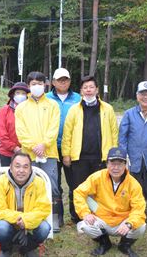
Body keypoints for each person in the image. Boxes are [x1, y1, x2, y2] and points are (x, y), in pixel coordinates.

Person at [61, 75, 118, 220]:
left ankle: (98, 214)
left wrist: (113, 155)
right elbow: (67, 133)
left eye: (91, 87)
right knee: (78, 187)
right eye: (85, 87)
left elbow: (114, 133)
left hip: (101, 157)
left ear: (97, 89)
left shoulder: (108, 109)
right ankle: (77, 215)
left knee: (100, 189)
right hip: (79, 157)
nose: (88, 90)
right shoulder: (74, 110)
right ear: (81, 91)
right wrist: (66, 154)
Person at [74, 147, 146, 257]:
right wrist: (85, 213)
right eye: (112, 163)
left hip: (123, 221)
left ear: (125, 165)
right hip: (101, 218)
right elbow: (79, 192)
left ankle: (124, 245)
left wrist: (129, 223)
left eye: (120, 164)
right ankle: (104, 243)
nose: (116, 168)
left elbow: (139, 208)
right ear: (107, 164)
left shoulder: (133, 184)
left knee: (141, 226)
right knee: (85, 225)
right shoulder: (97, 177)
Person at [15, 71, 61, 232]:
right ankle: (30, 219)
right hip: (28, 154)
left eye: (40, 83)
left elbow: (54, 128)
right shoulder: (21, 108)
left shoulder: (52, 105)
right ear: (28, 86)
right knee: (29, 186)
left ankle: (53, 218)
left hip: (49, 153)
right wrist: (33, 145)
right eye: (33, 84)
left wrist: (44, 145)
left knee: (52, 186)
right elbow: (20, 131)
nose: (37, 87)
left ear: (45, 85)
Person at [119, 81, 147, 236]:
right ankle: (132, 220)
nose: (146, 97)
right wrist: (124, 159)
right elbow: (122, 138)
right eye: (142, 94)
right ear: (137, 96)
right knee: (131, 193)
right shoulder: (129, 114)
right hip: (133, 161)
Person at [0, 152, 52, 257]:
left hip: (30, 224)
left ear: (30, 169)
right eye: (17, 166)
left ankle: (28, 248)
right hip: (9, 223)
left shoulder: (38, 182)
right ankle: (6, 249)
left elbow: (43, 208)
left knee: (44, 228)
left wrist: (26, 221)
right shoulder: (0, 182)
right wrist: (20, 218)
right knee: (1, 227)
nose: (21, 170)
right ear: (11, 167)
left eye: (25, 167)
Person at [46, 67, 82, 225]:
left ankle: (76, 215)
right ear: (53, 82)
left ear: (70, 81)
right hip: (51, 147)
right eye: (59, 79)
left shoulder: (78, 98)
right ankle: (57, 216)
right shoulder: (46, 98)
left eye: (65, 79)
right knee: (54, 184)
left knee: (75, 182)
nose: (63, 82)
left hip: (72, 147)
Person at [0, 82, 30, 166]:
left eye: (23, 93)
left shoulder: (31, 111)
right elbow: (2, 134)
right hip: (7, 153)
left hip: (27, 152)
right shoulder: (4, 111)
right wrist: (14, 148)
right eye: (18, 93)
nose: (20, 95)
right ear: (13, 95)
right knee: (8, 177)